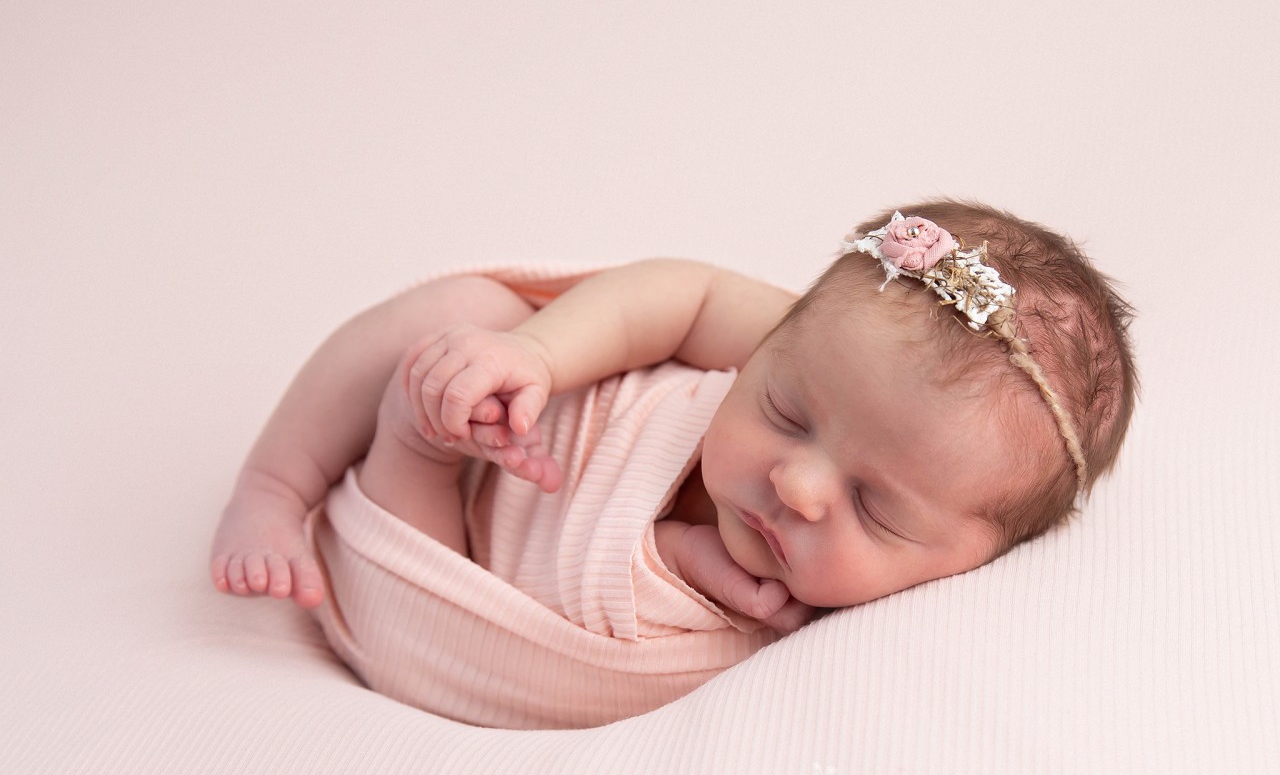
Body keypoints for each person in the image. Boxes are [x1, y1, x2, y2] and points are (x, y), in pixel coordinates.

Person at [210, 199, 1137, 724]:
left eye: (875, 507)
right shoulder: (837, 349)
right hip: (533, 412)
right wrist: (537, 356)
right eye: (784, 411)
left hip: (448, 564)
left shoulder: (830, 630)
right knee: (458, 316)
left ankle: (406, 445)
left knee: (416, 423)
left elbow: (599, 657)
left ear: (972, 560)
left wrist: (682, 557)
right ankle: (276, 482)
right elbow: (684, 294)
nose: (798, 484)